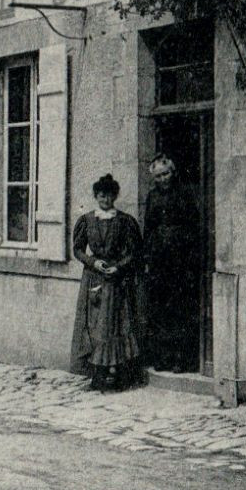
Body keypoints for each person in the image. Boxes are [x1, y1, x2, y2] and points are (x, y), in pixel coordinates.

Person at [70, 175, 144, 392]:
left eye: (110, 195)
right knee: (94, 326)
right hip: (93, 278)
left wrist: (119, 267)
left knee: (115, 325)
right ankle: (97, 373)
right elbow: (77, 249)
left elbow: (135, 251)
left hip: (116, 281)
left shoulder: (124, 221)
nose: (105, 199)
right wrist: (93, 262)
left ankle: (118, 372)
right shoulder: (86, 220)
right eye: (101, 195)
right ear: (96, 196)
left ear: (115, 196)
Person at [141, 155, 201, 374]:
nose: (163, 179)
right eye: (158, 176)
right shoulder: (152, 197)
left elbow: (194, 225)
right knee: (160, 309)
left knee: (181, 309)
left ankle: (182, 359)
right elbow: (148, 227)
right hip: (159, 260)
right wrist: (147, 256)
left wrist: (187, 253)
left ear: (173, 173)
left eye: (166, 174)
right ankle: (163, 357)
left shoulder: (185, 194)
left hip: (180, 259)